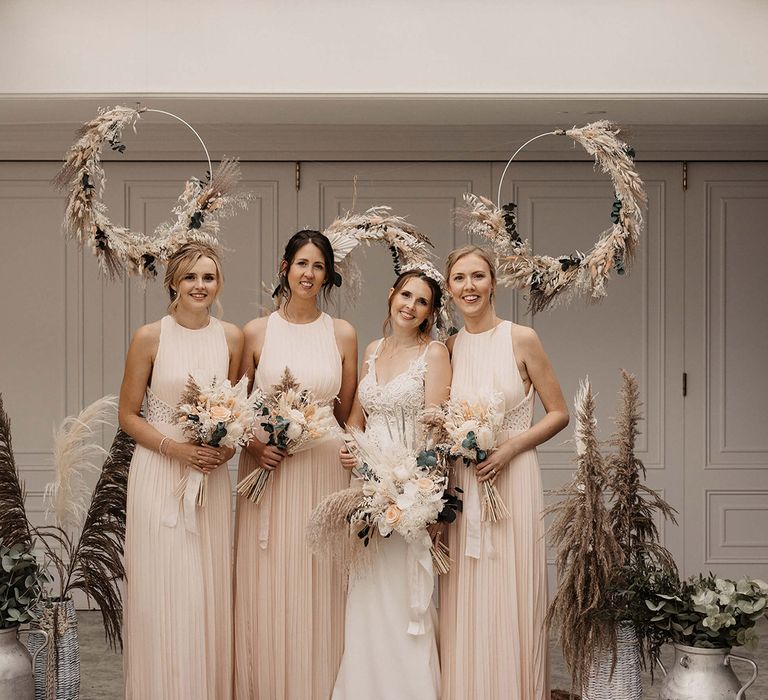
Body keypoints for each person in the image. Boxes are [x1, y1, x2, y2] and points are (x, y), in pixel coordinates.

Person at [438, 245, 569, 700]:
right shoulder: (450, 347)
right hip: (466, 480)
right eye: (459, 279)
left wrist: (509, 449)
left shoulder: (522, 338)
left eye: (477, 276)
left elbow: (558, 413)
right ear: (449, 289)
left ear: (493, 282)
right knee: (467, 589)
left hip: (512, 478)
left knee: (511, 586)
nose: (469, 286)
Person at [233, 230, 358, 699]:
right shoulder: (256, 331)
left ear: (328, 275)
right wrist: (254, 447)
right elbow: (235, 407)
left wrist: (354, 450)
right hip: (271, 469)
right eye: (302, 264)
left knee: (320, 576)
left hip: (325, 470)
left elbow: (348, 412)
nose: (309, 274)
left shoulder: (342, 333)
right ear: (284, 266)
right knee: (271, 578)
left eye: (319, 267)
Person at [120, 242, 244, 699]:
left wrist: (221, 452)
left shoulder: (232, 338)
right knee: (161, 590)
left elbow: (235, 415)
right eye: (190, 277)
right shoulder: (150, 337)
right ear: (173, 281)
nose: (199, 286)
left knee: (202, 591)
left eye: (208, 277)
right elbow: (128, 415)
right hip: (157, 473)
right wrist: (177, 449)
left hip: (208, 479)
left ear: (219, 284)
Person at [333, 268, 451, 700]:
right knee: (367, 591)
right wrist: (349, 446)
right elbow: (357, 419)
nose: (411, 306)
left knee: (403, 595)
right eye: (406, 295)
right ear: (391, 295)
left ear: (430, 312)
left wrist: (426, 494)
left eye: (422, 301)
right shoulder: (373, 350)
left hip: (408, 488)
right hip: (366, 487)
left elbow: (437, 430)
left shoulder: (434, 354)